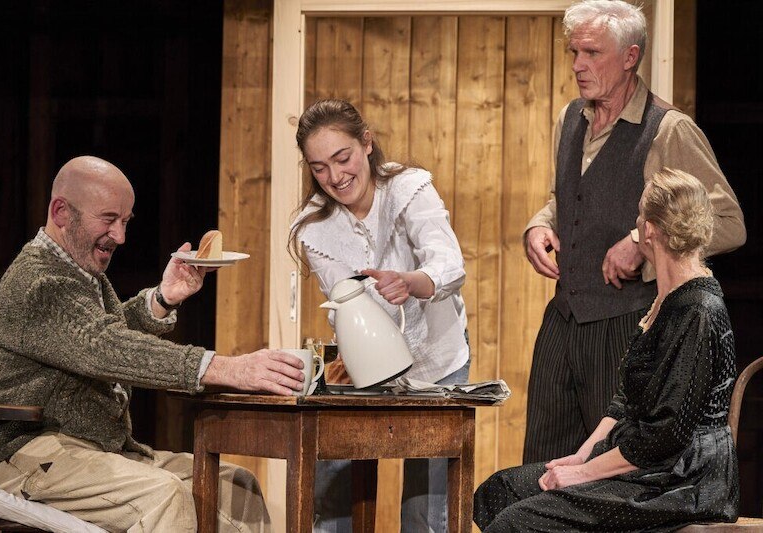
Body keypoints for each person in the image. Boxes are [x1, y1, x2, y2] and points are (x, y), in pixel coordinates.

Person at [0, 155, 307, 532]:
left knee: (235, 486)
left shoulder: (78, 270)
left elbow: (96, 336)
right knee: (164, 495)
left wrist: (163, 298)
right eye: (109, 219)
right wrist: (230, 368)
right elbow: (102, 346)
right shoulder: (39, 280)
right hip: (28, 453)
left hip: (95, 449)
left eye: (125, 222)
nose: (120, 236)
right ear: (61, 212)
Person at [522, 0, 746, 463]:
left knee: (608, 472)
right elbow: (567, 198)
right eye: (574, 53)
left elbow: (728, 222)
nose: (578, 65)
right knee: (543, 467)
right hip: (562, 322)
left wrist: (642, 242)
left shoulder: (668, 130)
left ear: (630, 56)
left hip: (626, 328)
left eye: (592, 53)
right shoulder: (571, 119)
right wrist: (541, 224)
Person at [474, 167, 740, 532]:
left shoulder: (697, 310)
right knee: (500, 490)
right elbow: (624, 401)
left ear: (648, 229)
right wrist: (580, 456)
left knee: (517, 522)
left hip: (682, 479)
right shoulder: (666, 299)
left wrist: (583, 474)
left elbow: (664, 438)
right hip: (647, 463)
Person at [288, 99, 469, 532]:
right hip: (368, 368)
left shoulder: (410, 188)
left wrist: (410, 282)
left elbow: (448, 264)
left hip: (436, 364)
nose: (334, 177)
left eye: (342, 158)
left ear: (366, 143)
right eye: (319, 168)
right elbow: (344, 305)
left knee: (426, 510)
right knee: (330, 487)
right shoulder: (314, 227)